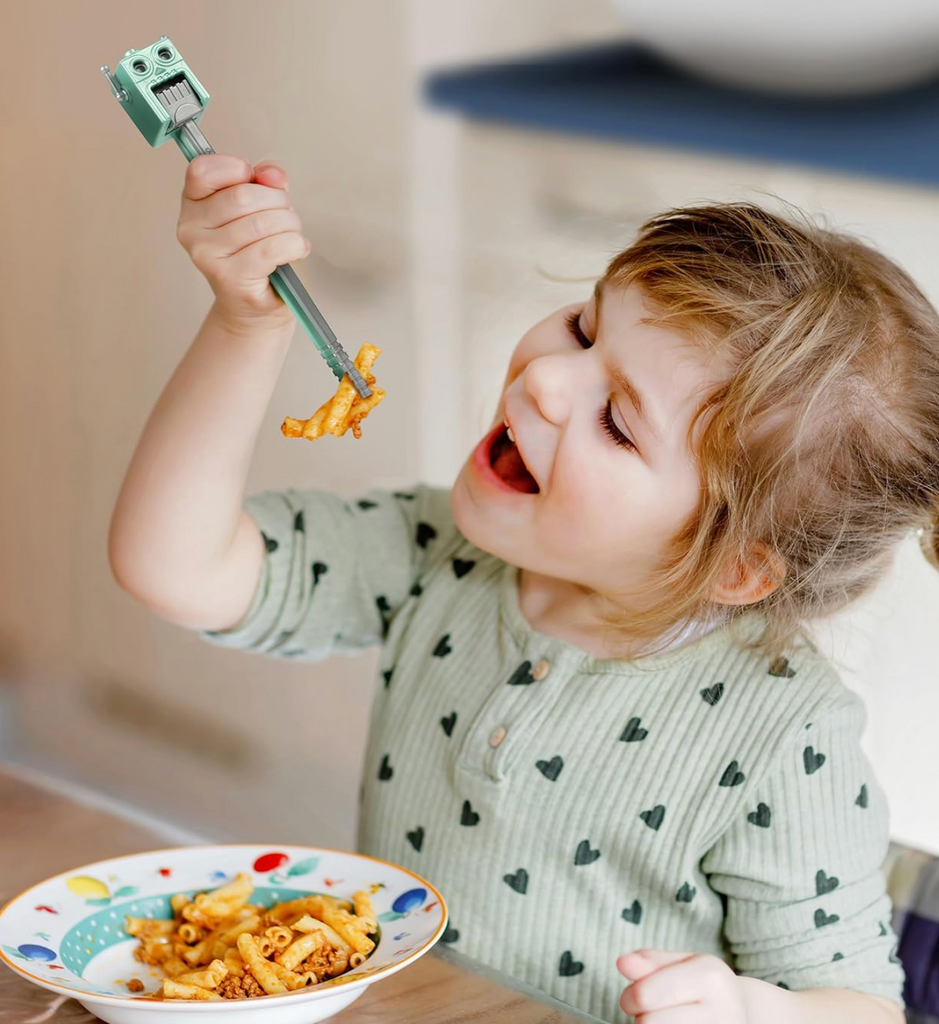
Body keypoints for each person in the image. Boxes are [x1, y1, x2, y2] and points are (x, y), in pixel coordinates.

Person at [110, 153, 939, 1023]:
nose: (543, 380)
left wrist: (750, 1012)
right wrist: (246, 326)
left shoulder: (781, 733)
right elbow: (176, 566)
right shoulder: (432, 552)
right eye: (585, 330)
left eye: (617, 423)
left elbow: (861, 1009)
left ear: (735, 568)